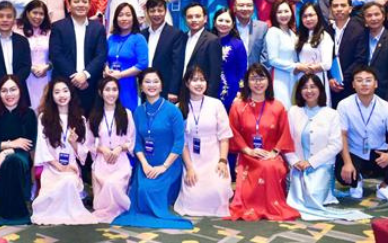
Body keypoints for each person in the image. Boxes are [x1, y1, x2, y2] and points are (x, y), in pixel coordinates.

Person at [113, 68, 192, 229]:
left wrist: (163, 167)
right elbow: (137, 143)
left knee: (150, 191)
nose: (152, 85)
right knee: (140, 191)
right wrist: (144, 164)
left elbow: (179, 143)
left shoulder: (173, 111)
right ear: (141, 87)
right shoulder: (138, 112)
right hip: (146, 164)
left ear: (162, 86)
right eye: (147, 82)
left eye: (156, 81)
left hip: (168, 164)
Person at [285, 74, 369, 221]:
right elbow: (286, 140)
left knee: (313, 195)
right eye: (305, 87)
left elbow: (336, 145)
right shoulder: (293, 111)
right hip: (298, 166)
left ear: (320, 90)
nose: (309, 91)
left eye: (313, 87)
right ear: (299, 91)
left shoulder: (331, 114)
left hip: (321, 166)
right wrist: (294, 161)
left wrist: (311, 162)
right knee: (295, 197)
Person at [227, 63, 299, 220]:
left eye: (261, 78)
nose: (258, 82)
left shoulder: (278, 106)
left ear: (268, 81)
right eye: (253, 78)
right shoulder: (238, 106)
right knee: (260, 169)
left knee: (270, 166)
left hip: (271, 154)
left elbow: (285, 133)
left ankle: (271, 206)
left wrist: (274, 152)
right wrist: (248, 150)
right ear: (247, 82)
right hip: (247, 155)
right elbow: (232, 132)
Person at [335, 66, 388, 205]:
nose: (364, 84)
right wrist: (347, 163)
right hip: (355, 152)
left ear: (376, 84)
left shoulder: (386, 107)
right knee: (341, 168)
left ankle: (384, 187)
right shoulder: (344, 105)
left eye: (368, 80)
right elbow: (343, 136)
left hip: (378, 153)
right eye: (359, 80)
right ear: (353, 84)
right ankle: (357, 180)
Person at [31, 78, 97, 225]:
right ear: (52, 96)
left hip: (71, 167)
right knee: (51, 194)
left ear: (71, 93)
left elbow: (83, 155)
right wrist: (59, 166)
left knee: (68, 181)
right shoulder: (44, 118)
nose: (62, 95)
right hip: (51, 168)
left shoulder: (80, 119)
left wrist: (74, 143)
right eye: (57, 92)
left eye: (65, 91)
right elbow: (42, 148)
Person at [174, 65, 233, 217]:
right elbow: (182, 143)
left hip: (214, 158)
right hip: (192, 160)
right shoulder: (179, 107)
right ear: (187, 83)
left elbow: (224, 137)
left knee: (217, 192)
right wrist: (189, 168)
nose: (199, 84)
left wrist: (222, 161)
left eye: (202, 80)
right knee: (194, 197)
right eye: (194, 80)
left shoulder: (216, 104)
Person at [0, 75, 37, 224]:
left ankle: (15, 212)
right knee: (5, 163)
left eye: (13, 89)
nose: (9, 94)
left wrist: (6, 152)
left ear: (20, 91)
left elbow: (30, 142)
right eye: (4, 91)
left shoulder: (29, 114)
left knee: (12, 162)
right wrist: (9, 144)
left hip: (19, 156)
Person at [49, 0, 108, 113]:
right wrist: (75, 76)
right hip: (64, 85)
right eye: (76, 2)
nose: (81, 4)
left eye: (84, 2)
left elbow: (101, 55)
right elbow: (56, 55)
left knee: (90, 120)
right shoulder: (58, 27)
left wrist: (85, 75)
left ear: (89, 5)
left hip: (90, 84)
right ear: (69, 5)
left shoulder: (98, 28)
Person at [86, 77, 135, 222]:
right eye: (107, 90)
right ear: (100, 92)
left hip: (121, 162)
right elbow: (88, 143)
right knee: (107, 184)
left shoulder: (126, 114)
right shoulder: (94, 116)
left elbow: (131, 140)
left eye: (114, 89)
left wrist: (120, 148)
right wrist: (102, 149)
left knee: (112, 183)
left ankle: (122, 207)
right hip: (102, 162)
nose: (111, 93)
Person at [105, 3, 148, 111]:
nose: (124, 18)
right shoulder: (111, 38)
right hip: (110, 85)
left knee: (127, 115)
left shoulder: (139, 38)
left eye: (128, 15)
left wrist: (121, 75)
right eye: (120, 15)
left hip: (129, 85)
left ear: (133, 18)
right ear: (116, 18)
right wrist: (106, 69)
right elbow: (104, 59)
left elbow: (143, 64)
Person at [327, 0, 368, 107]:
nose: (339, 9)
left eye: (343, 5)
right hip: (330, 84)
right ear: (330, 9)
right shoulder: (326, 31)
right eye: (335, 6)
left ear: (350, 9)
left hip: (350, 84)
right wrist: (330, 78)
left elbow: (360, 59)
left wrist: (342, 80)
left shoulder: (360, 30)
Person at [141, 0, 185, 102]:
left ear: (165, 11)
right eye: (152, 11)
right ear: (147, 12)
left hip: (165, 87)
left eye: (160, 10)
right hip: (145, 86)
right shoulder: (142, 34)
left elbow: (177, 64)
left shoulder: (175, 34)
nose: (156, 14)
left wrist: (173, 90)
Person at [362, 2, 388, 109]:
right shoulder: (361, 37)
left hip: (383, 93)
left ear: (383, 17)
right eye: (369, 15)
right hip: (362, 92)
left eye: (377, 14)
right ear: (365, 19)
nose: (373, 18)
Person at [178, 3, 223, 99]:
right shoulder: (182, 37)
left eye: (197, 16)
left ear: (205, 19)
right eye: (190, 17)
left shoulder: (212, 40)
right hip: (183, 91)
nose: (194, 20)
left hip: (202, 93)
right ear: (185, 19)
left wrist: (209, 97)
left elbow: (215, 73)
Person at [15, 0, 52, 113]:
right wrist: (30, 68)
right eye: (35, 13)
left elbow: (56, 54)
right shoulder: (18, 31)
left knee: (45, 108)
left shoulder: (49, 31)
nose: (38, 17)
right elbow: (15, 56)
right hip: (26, 76)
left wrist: (47, 67)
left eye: (41, 14)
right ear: (27, 13)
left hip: (46, 76)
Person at [295, 3, 333, 105]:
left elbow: (327, 64)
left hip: (318, 79)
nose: (308, 19)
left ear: (318, 15)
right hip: (301, 79)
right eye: (305, 16)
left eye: (311, 15)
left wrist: (307, 69)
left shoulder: (324, 36)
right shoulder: (299, 37)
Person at [265, 0, 299, 108]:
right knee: (283, 107)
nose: (283, 15)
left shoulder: (292, 33)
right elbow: (272, 60)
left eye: (286, 11)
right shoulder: (273, 32)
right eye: (279, 12)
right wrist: (295, 66)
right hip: (279, 78)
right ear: (274, 15)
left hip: (294, 77)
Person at [211, 9, 247, 109]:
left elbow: (242, 69)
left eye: (227, 21)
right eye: (220, 20)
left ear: (233, 24)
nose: (223, 24)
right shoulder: (207, 40)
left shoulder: (237, 44)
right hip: (209, 89)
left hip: (231, 90)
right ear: (214, 22)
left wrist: (240, 91)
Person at [233, 0, 269, 67]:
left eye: (249, 5)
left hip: (254, 72)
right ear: (234, 8)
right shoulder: (228, 26)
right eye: (241, 5)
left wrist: (260, 73)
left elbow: (265, 56)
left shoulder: (262, 27)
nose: (245, 8)